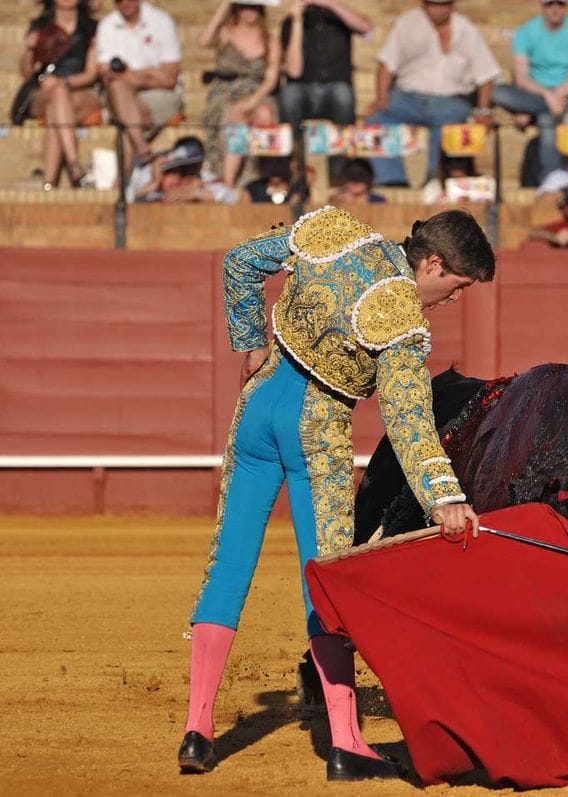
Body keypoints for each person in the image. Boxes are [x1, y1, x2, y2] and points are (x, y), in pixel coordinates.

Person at [178, 206, 494, 781]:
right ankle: (346, 744)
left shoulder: (336, 232)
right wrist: (443, 495)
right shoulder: (400, 314)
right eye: (457, 286)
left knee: (226, 567)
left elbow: (241, 263)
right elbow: (407, 417)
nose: (453, 300)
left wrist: (252, 342)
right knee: (326, 581)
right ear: (434, 263)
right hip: (314, 432)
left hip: (256, 411)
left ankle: (197, 732)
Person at [365, 0, 500, 187]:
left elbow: (486, 75)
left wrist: (483, 111)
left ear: (452, 6)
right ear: (424, 4)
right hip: (407, 97)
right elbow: (387, 64)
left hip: (450, 101)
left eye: (444, 4)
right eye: (433, 4)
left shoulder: (466, 29)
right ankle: (392, 180)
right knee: (375, 120)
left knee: (453, 120)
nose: (438, 9)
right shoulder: (407, 23)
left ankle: (435, 179)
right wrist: (381, 98)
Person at [492, 0, 568, 181]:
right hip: (536, 93)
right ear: (542, 5)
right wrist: (548, 97)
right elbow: (522, 77)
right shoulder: (526, 31)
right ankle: (552, 178)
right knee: (497, 92)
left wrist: (554, 97)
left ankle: (551, 180)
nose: (555, 9)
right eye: (550, 4)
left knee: (548, 120)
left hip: (567, 94)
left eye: (560, 4)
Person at [19, 0, 102, 190]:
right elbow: (27, 73)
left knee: (56, 108)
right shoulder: (40, 25)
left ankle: (49, 183)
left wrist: (63, 83)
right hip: (43, 92)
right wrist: (30, 49)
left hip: (77, 90)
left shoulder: (91, 28)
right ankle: (74, 165)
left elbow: (91, 74)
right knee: (57, 96)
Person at [199, 1, 281, 186]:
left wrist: (252, 101)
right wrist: (225, 4)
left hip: (258, 91)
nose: (249, 12)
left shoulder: (270, 40)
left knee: (264, 114)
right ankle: (229, 181)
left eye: (253, 7)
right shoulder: (227, 32)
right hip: (226, 92)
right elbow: (203, 41)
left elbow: (271, 79)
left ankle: (261, 179)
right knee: (236, 117)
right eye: (244, 6)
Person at [95, 0, 182, 172]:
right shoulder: (107, 25)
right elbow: (106, 73)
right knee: (122, 96)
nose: (125, 2)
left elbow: (170, 79)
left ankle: (119, 187)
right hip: (121, 94)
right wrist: (151, 73)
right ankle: (142, 150)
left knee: (128, 119)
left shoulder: (161, 21)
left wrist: (135, 78)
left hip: (159, 94)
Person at [280, 0, 372, 130]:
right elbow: (294, 71)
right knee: (289, 94)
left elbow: (366, 28)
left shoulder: (340, 16)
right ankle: (294, 146)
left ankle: (343, 146)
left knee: (342, 94)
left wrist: (331, 4)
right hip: (303, 87)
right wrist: (297, 22)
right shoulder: (290, 22)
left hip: (336, 86)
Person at [128, 135, 240, 203]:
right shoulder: (151, 171)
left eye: (186, 171)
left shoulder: (200, 176)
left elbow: (231, 197)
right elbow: (128, 198)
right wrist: (153, 184)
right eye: (173, 171)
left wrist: (196, 194)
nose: (178, 180)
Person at [242, 154, 311, 204]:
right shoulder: (253, 189)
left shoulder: (296, 189)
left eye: (281, 163)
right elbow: (245, 213)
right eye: (269, 163)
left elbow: (309, 174)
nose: (275, 168)